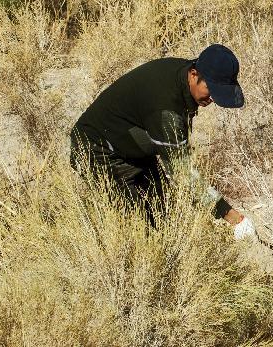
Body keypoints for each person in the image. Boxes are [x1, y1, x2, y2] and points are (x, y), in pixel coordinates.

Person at [70, 43, 257, 240]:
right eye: (211, 89)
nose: (212, 98)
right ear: (194, 74)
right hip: (94, 149)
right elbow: (182, 173)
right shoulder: (166, 109)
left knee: (165, 213)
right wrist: (234, 218)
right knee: (141, 227)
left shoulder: (182, 74)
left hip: (130, 147)